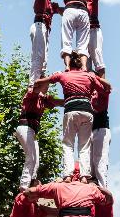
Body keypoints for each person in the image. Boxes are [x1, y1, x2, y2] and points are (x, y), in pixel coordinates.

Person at [33, 52, 112, 182]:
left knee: (68, 144)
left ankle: (68, 175)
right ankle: (85, 176)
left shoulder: (64, 75)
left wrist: (38, 82)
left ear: (70, 64)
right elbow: (104, 89)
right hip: (87, 112)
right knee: (84, 145)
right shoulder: (89, 76)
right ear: (81, 65)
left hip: (70, 111)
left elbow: (45, 81)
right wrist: (99, 80)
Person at [42, 0, 105, 71]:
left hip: (92, 26)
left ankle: (70, 66)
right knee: (82, 46)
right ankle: (81, 68)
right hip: (83, 17)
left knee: (97, 58)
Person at [15, 87, 63, 190]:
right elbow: (34, 87)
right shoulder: (32, 94)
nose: (47, 86)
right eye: (45, 84)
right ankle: (24, 187)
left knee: (36, 160)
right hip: (24, 128)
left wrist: (73, 99)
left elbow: (59, 103)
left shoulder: (43, 100)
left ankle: (32, 183)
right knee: (31, 157)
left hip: (31, 131)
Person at [30, 0, 63, 86]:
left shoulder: (51, 4)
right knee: (38, 56)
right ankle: (33, 83)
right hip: (39, 25)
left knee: (43, 58)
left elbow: (63, 11)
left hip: (44, 28)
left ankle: (39, 81)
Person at [90, 73, 111, 188]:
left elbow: (108, 86)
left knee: (100, 162)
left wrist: (94, 77)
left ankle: (103, 189)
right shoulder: (88, 95)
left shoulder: (102, 92)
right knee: (90, 166)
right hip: (90, 131)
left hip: (101, 130)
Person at [86, 0, 106, 74]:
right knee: (85, 65)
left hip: (93, 29)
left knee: (98, 59)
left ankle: (104, 87)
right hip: (83, 31)